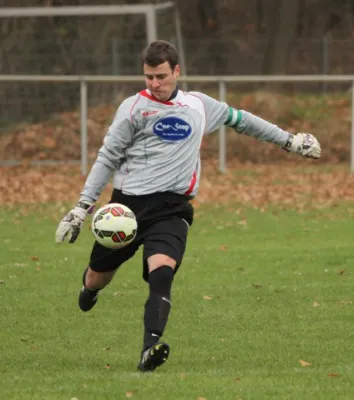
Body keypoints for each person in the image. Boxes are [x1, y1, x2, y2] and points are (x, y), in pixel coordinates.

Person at [55, 40, 321, 372]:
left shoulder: (198, 105)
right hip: (126, 209)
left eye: (161, 76)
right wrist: (82, 206)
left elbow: (243, 120)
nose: (154, 83)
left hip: (173, 208)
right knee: (97, 277)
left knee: (161, 273)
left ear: (177, 71)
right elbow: (107, 157)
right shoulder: (133, 109)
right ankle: (89, 289)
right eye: (149, 77)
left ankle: (149, 350)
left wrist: (289, 140)